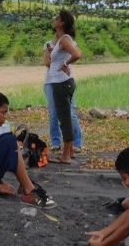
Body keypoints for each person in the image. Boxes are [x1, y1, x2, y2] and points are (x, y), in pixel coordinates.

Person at [43, 9, 82, 164]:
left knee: (64, 118)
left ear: (62, 23)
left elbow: (78, 54)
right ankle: (70, 151)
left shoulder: (64, 39)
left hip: (61, 82)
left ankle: (65, 156)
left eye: (57, 18)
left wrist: (65, 63)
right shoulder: (61, 40)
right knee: (64, 116)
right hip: (61, 81)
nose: (54, 19)